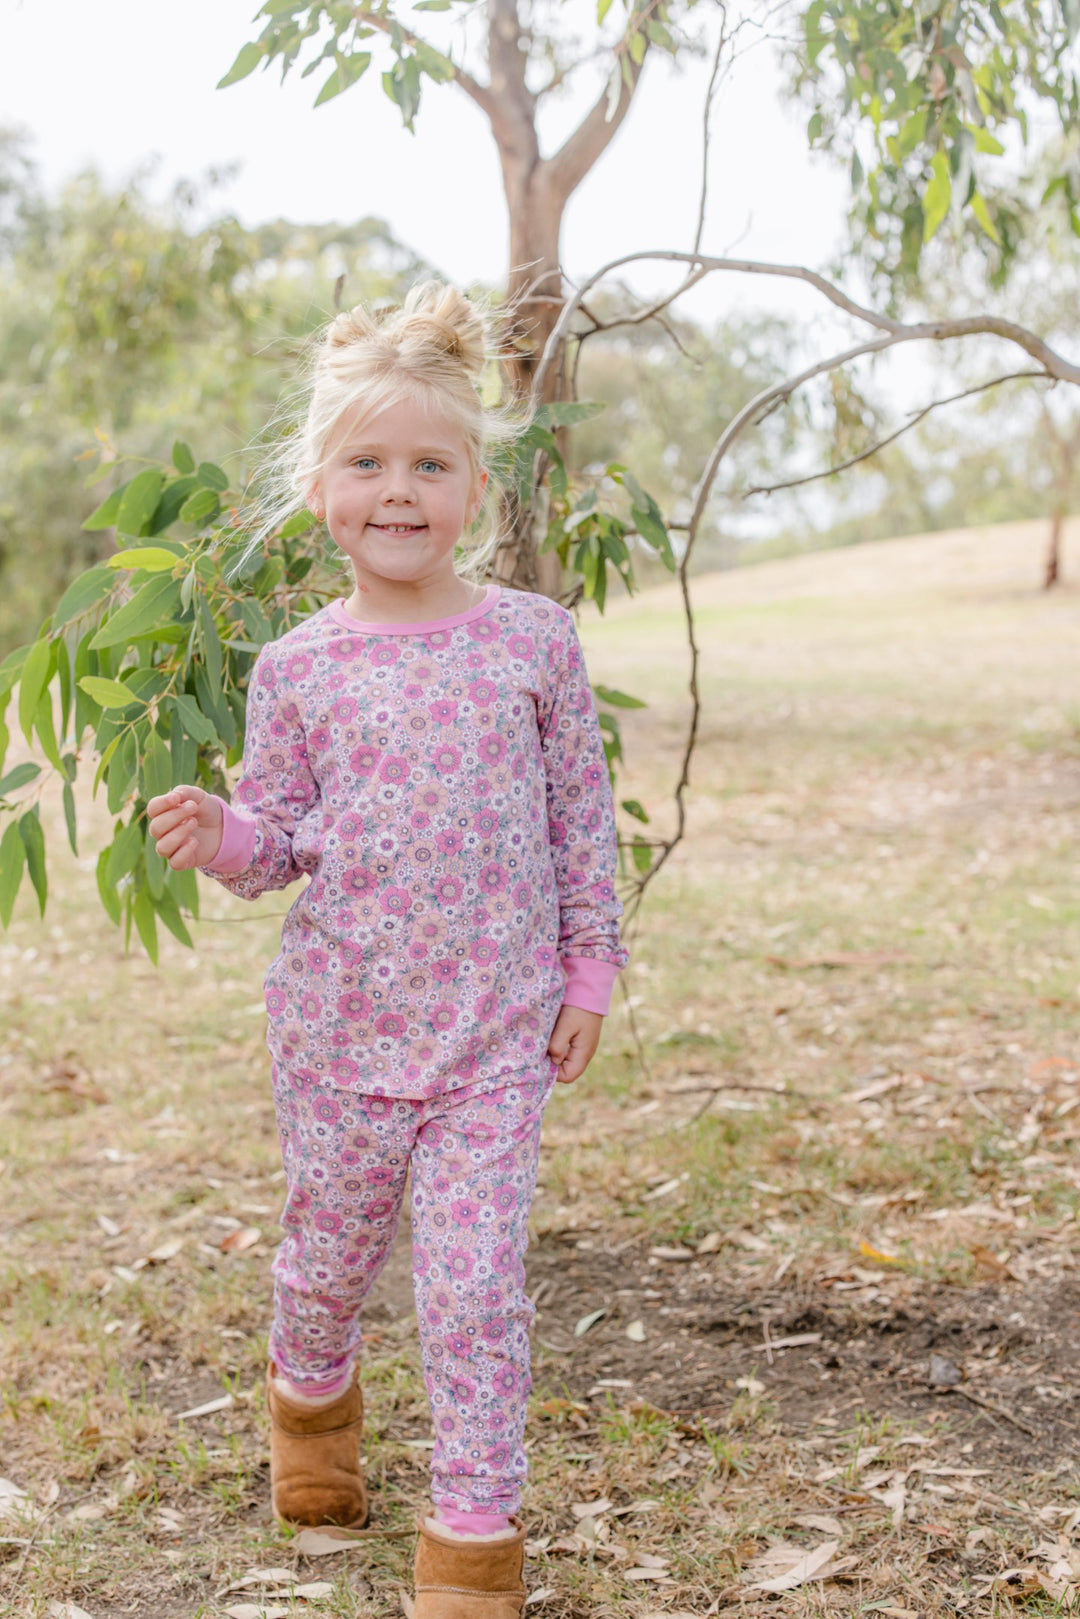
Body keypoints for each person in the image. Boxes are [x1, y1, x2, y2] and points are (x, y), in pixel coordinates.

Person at [146, 281, 628, 1618]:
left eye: (429, 463)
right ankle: (310, 1401)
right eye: (367, 464)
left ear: (480, 483)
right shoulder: (297, 667)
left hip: (494, 1037)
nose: (398, 491)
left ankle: (472, 1541)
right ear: (319, 489)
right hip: (343, 1036)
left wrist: (592, 972)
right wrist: (224, 832)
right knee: (328, 1263)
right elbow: (282, 845)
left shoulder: (535, 643)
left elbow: (581, 819)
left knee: (475, 1289)